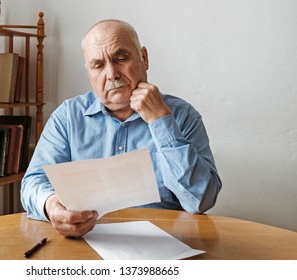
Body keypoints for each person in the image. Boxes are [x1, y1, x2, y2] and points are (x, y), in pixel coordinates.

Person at [21, 19, 222, 237]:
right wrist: (51, 205)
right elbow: (32, 183)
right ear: (88, 71)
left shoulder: (182, 116)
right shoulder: (68, 117)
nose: (112, 74)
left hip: (162, 243)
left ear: (144, 58)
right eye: (98, 65)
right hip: (85, 240)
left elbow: (201, 199)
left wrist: (161, 121)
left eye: (121, 58)